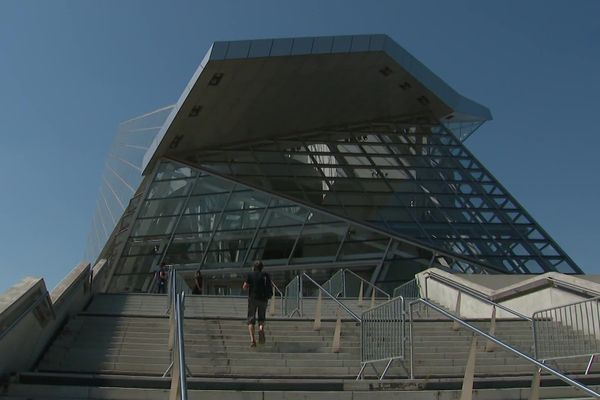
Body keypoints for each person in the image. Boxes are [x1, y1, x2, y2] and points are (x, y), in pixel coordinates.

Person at [242, 260, 273, 347]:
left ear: (254, 267)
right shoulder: (266, 275)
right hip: (263, 300)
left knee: (251, 320)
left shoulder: (250, 275)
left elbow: (244, 287)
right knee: (261, 319)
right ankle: (261, 329)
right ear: (262, 268)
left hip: (253, 299)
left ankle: (252, 340)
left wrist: (249, 286)